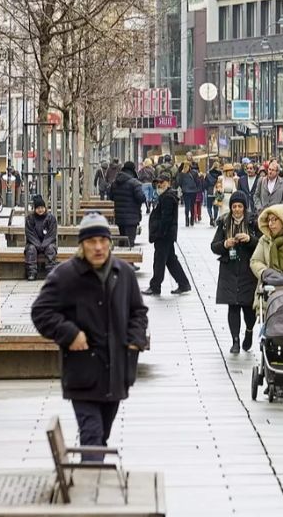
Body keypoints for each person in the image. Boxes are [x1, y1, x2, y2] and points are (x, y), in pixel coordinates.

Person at [31, 213, 149, 463]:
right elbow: (41, 312)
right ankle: (89, 495)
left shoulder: (123, 273)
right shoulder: (66, 275)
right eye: (91, 241)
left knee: (101, 436)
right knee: (92, 436)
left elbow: (138, 312)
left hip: (117, 371)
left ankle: (92, 486)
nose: (98, 247)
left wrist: (134, 341)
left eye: (103, 241)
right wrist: (70, 333)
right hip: (83, 374)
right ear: (81, 245)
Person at [211, 192, 259, 354]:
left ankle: (249, 331)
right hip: (229, 269)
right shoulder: (224, 222)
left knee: (248, 307)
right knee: (233, 306)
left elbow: (263, 245)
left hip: (248, 269)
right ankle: (235, 341)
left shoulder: (253, 222)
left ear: (245, 207)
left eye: (240, 206)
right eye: (234, 207)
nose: (237, 210)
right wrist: (225, 243)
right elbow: (214, 246)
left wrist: (249, 239)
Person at [143, 174, 191, 296]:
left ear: (168, 183)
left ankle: (155, 286)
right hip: (167, 234)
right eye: (157, 183)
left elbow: (166, 219)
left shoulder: (168, 197)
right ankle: (184, 284)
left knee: (159, 260)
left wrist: (160, 233)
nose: (159, 185)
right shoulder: (165, 196)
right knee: (171, 260)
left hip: (164, 235)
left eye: (162, 182)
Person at [109, 161, 145, 246]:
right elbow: (141, 198)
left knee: (122, 239)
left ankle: (121, 258)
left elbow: (111, 197)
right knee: (129, 242)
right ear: (133, 170)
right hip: (132, 217)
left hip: (119, 217)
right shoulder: (135, 183)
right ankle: (128, 258)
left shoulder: (115, 183)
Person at [176, 161, 199, 227]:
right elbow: (197, 182)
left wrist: (183, 187)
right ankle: (192, 220)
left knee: (187, 206)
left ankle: (187, 220)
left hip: (186, 191)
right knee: (192, 205)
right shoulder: (194, 173)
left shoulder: (181, 174)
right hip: (193, 191)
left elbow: (179, 182)